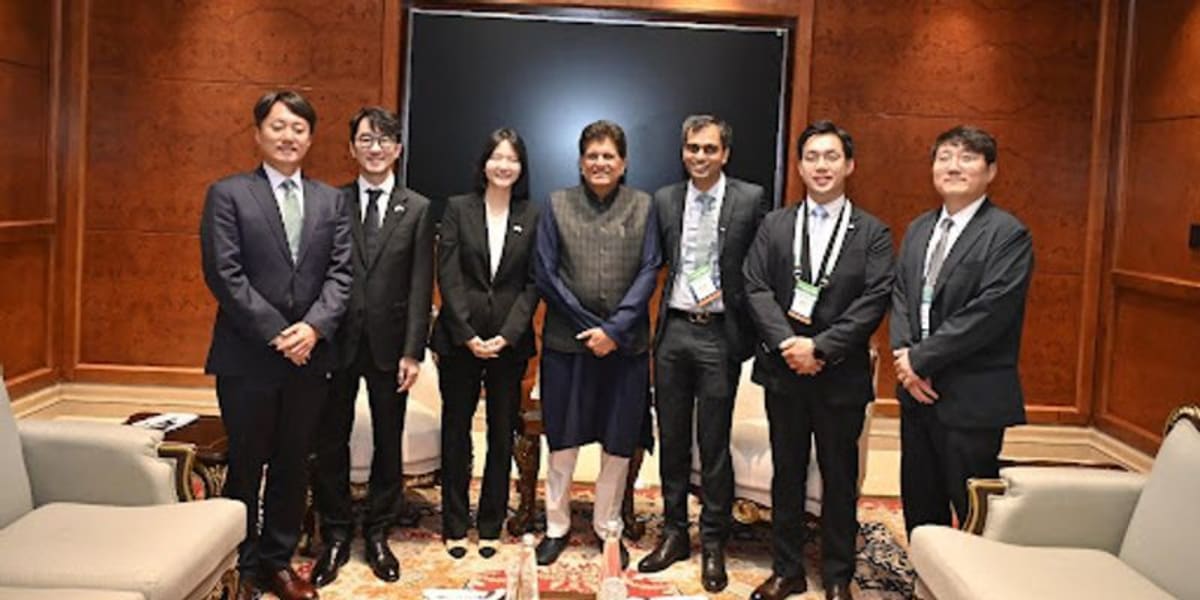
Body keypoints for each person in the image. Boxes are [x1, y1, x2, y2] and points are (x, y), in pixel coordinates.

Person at [200, 89, 351, 600]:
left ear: (311, 137)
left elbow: (342, 276)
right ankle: (239, 561)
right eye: (279, 126)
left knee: (293, 460)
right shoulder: (228, 194)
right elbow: (225, 274)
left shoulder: (332, 200)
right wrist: (278, 333)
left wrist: (312, 329)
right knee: (247, 460)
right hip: (248, 356)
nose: (289, 137)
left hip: (311, 356)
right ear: (258, 132)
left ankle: (277, 561)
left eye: (299, 129)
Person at [744, 121, 894, 600]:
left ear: (849, 165)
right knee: (786, 472)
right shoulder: (775, 224)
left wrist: (821, 348)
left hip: (839, 376)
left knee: (839, 476)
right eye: (812, 157)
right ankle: (786, 569)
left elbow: (875, 299)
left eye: (831, 157)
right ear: (800, 165)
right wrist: (789, 344)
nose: (821, 166)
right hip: (783, 371)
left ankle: (836, 575)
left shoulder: (872, 232)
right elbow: (755, 286)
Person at [636, 115, 768, 593]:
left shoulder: (750, 199)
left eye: (709, 149)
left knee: (712, 445)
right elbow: (658, 262)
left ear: (725, 153)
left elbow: (759, 268)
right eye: (692, 148)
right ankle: (674, 533)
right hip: (673, 331)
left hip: (718, 336)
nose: (699, 156)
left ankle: (714, 541)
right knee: (671, 439)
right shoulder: (666, 199)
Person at [310, 107, 434, 587]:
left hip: (390, 346)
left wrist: (413, 351)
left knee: (388, 440)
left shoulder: (418, 208)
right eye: (366, 139)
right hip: (337, 342)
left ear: (398, 150)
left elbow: (422, 285)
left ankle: (379, 531)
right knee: (330, 438)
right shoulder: (332, 202)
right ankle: (336, 532)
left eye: (384, 140)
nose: (375, 147)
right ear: (352, 148)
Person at [890, 125, 1033, 537]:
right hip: (917, 393)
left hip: (970, 396)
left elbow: (990, 312)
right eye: (945, 157)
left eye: (967, 158)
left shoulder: (1007, 234)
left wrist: (920, 358)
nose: (953, 167)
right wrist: (905, 358)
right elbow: (900, 296)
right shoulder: (919, 228)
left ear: (991, 171)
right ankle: (925, 578)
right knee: (920, 500)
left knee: (973, 512)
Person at [532, 120, 661, 568]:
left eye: (609, 156)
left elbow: (650, 270)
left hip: (625, 349)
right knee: (563, 441)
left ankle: (610, 529)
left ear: (623, 163)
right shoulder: (556, 204)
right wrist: (592, 327)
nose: (600, 163)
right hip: (568, 344)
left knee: (618, 443)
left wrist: (616, 330)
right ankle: (556, 526)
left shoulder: (644, 206)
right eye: (592, 155)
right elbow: (546, 273)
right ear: (580, 161)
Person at [431, 128, 540, 559]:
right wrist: (468, 334)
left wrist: (508, 334)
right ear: (484, 164)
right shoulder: (458, 208)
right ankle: (455, 523)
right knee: (456, 432)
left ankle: (491, 523)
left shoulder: (533, 214)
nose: (503, 165)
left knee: (501, 432)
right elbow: (448, 274)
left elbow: (533, 283)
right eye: (496, 156)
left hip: (509, 344)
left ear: (521, 167)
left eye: (512, 158)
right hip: (459, 341)